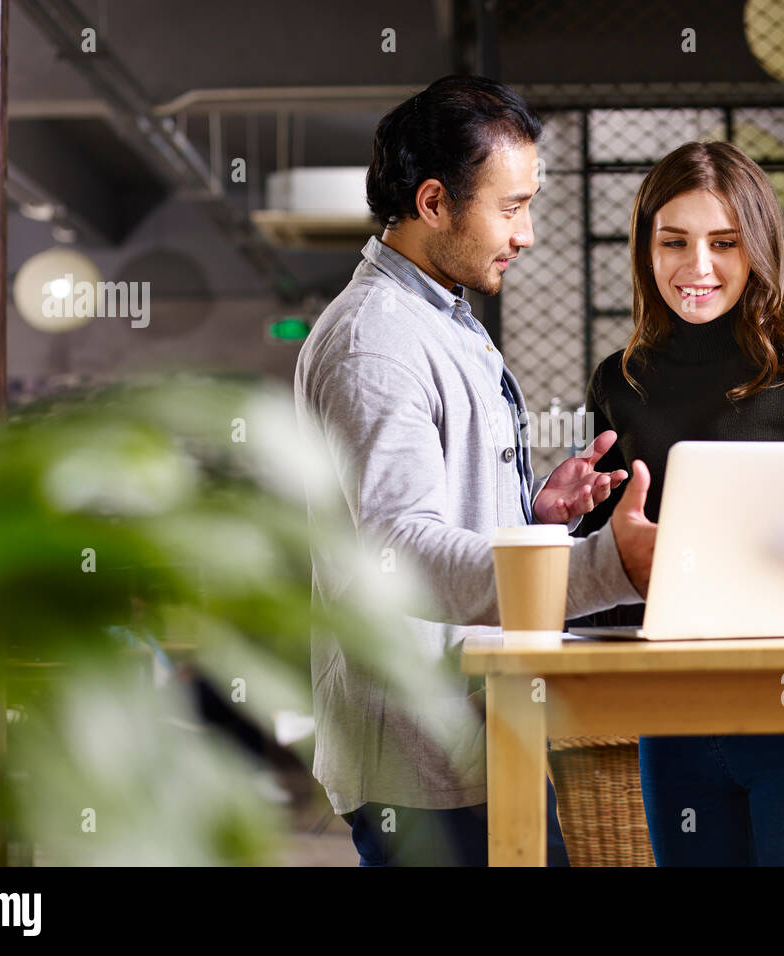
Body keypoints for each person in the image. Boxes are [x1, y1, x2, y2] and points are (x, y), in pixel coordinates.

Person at [293, 75, 658, 866]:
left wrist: (532, 517)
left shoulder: (443, 318)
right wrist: (606, 564)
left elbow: (438, 517)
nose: (525, 234)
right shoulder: (376, 343)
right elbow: (401, 550)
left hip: (477, 732)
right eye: (512, 205)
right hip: (420, 763)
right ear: (433, 203)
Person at [569, 140, 784, 866]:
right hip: (673, 717)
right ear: (647, 247)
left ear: (758, 246)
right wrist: (572, 517)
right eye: (674, 241)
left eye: (724, 243)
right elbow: (603, 564)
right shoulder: (620, 379)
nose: (697, 267)